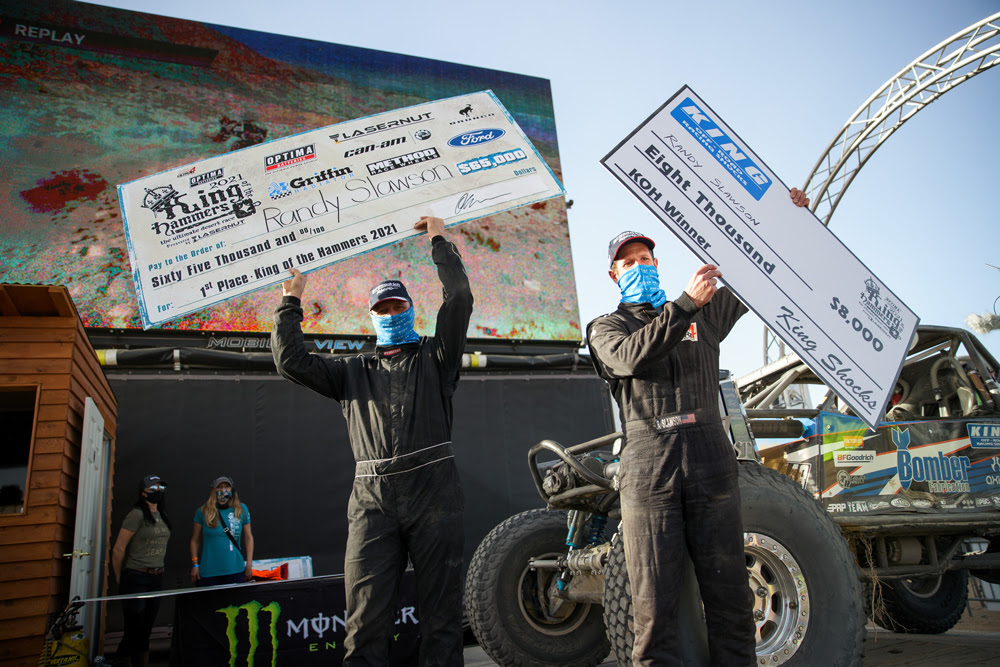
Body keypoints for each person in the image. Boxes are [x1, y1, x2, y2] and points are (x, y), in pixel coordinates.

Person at [587, 188, 810, 666]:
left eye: (645, 257)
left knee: (730, 596)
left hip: (711, 457)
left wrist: (787, 222)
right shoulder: (607, 327)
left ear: (657, 263)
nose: (639, 265)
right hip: (649, 468)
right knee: (653, 610)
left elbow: (762, 276)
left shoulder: (704, 312)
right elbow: (630, 357)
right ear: (613, 274)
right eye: (628, 262)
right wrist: (685, 304)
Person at [271, 215, 473, 666]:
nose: (390, 314)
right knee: (364, 624)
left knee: (441, 621)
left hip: (435, 494)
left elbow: (458, 297)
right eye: (382, 310)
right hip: (371, 502)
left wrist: (438, 238)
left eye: (398, 307)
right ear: (371, 318)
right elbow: (290, 361)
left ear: (410, 311)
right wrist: (291, 300)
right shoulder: (352, 371)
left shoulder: (437, 358)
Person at [110, 475, 171, 667]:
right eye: (153, 488)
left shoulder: (161, 515)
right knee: (134, 628)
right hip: (136, 576)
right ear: (143, 492)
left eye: (160, 487)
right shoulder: (136, 515)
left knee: (146, 628)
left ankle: (135, 662)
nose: (158, 491)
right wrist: (121, 576)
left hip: (156, 576)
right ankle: (123, 661)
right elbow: (119, 549)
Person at [190, 476, 254, 586]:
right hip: (209, 571)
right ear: (213, 490)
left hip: (235, 569)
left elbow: (248, 537)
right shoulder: (203, 511)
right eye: (219, 487)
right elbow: (195, 540)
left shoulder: (241, 509)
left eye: (226, 487)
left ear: (231, 490)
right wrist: (195, 564)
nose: (223, 490)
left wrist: (249, 564)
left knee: (234, 602)